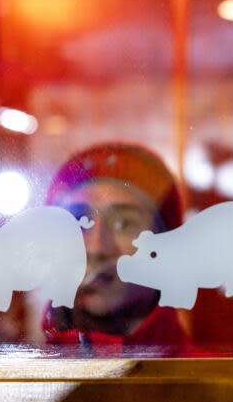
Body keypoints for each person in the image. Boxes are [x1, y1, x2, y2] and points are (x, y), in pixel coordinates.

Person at [42, 143, 193, 357]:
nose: (96, 248)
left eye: (124, 224)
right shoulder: (13, 381)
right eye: (77, 220)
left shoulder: (215, 384)